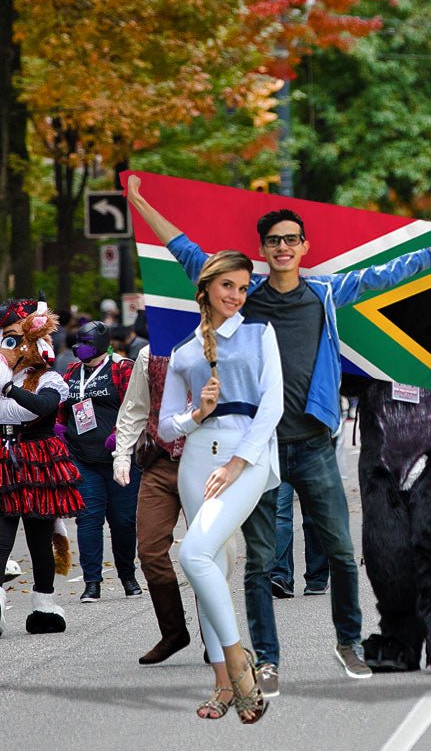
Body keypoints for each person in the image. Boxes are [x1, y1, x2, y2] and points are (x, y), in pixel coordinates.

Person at [127, 174, 431, 693]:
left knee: (338, 550)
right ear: (262, 250)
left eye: (292, 239)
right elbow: (186, 252)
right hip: (257, 450)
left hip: (313, 445)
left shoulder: (326, 293)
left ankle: (348, 643)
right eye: (274, 241)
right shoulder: (244, 297)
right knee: (261, 561)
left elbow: (384, 275)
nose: (283, 247)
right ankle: (267, 660)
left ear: (304, 247)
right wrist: (139, 204)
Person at [159, 250, 280, 722]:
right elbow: (167, 428)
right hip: (195, 461)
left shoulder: (259, 333)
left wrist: (237, 462)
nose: (236, 295)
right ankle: (222, 686)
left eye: (243, 287)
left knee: (192, 553)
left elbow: (272, 405)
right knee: (209, 567)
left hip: (244, 457)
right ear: (207, 287)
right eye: (228, 285)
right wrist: (196, 414)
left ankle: (239, 667)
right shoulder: (185, 351)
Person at [0, 298, 80, 636]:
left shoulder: (49, 378)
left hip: (38, 461)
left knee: (39, 537)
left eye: (15, 339)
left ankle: (44, 605)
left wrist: (7, 389)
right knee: (2, 538)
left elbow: (40, 408)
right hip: (4, 459)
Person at [112, 345, 191, 664]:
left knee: (205, 553)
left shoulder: (224, 343)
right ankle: (173, 631)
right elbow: (134, 408)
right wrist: (121, 454)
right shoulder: (150, 354)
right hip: (160, 463)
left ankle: (217, 636)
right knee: (149, 550)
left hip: (205, 463)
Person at [60, 321, 141, 603]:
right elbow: (63, 406)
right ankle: (92, 581)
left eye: (85, 341)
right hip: (83, 458)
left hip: (121, 458)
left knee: (123, 521)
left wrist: (120, 436)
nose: (78, 346)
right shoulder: (72, 371)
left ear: (100, 342)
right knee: (88, 520)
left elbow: (137, 407)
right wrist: (60, 428)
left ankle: (128, 576)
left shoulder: (122, 368)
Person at [270, 479, 329, 598]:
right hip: (281, 461)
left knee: (313, 516)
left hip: (312, 461)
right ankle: (281, 576)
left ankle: (317, 579)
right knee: (280, 513)